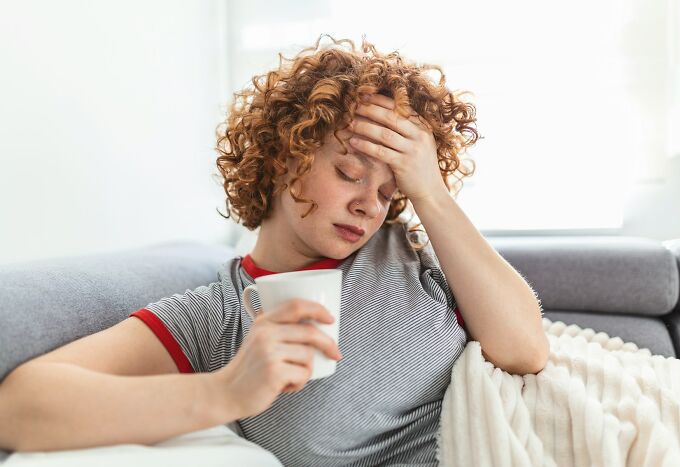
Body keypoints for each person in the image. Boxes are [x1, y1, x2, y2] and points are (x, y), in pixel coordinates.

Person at [1, 34, 483, 465]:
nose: (368, 207)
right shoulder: (218, 317)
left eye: (387, 192)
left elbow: (524, 349)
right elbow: (16, 408)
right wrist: (226, 391)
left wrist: (432, 196)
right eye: (350, 174)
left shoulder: (406, 251)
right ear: (283, 154)